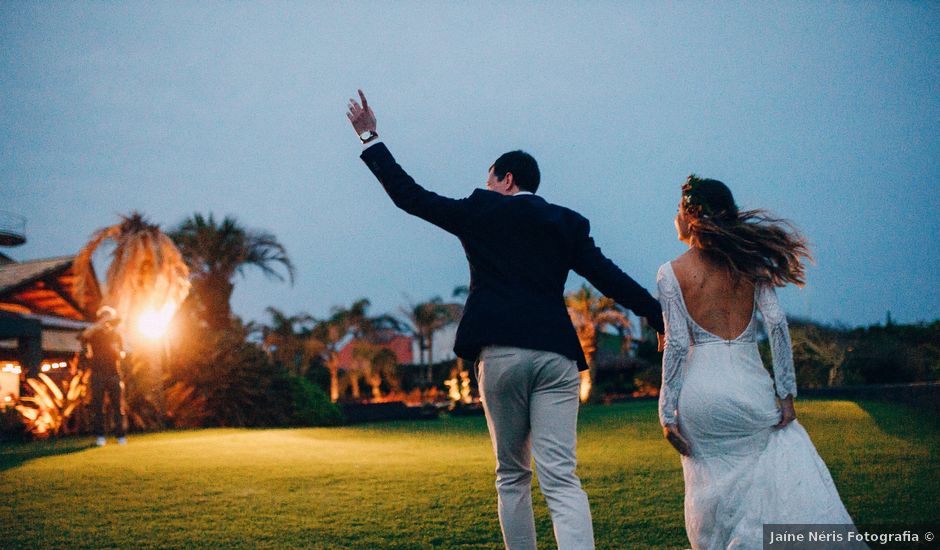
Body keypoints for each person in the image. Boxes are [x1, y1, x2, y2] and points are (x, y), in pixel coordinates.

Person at [346, 90, 664, 550]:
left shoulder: (480, 210)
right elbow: (607, 277)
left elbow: (410, 197)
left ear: (507, 179)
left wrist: (370, 137)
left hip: (501, 355)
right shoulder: (565, 222)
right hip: (556, 357)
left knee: (512, 474)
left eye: (491, 179)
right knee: (561, 477)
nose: (487, 186)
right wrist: (656, 313)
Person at [657, 176, 856, 549]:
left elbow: (679, 345)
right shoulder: (752, 265)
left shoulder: (670, 273)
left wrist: (666, 412)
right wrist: (786, 393)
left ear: (692, 214)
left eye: (679, 209)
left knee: (710, 496)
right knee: (762, 489)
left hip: (700, 400)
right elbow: (778, 325)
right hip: (751, 392)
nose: (675, 217)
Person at [79, 306, 128, 447]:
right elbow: (84, 336)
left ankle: (120, 436)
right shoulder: (94, 333)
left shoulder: (116, 335)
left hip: (114, 373)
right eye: (105, 317)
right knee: (98, 406)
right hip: (97, 373)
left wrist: (117, 351)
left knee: (117, 406)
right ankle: (100, 436)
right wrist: (100, 324)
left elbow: (123, 354)